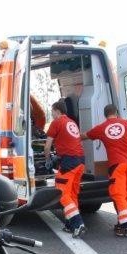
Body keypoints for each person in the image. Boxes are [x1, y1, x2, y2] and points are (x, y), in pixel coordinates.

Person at [81, 104, 127, 238]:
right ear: (116, 112)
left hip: (117, 165)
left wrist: (69, 137)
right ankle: (121, 223)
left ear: (105, 114)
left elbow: (84, 136)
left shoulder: (102, 128)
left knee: (118, 194)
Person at [44, 99, 86, 238]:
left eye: (52, 111)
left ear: (57, 110)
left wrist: (48, 159)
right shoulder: (71, 122)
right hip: (80, 161)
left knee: (61, 193)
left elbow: (47, 146)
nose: (52, 114)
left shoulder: (57, 122)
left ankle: (78, 223)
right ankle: (69, 225)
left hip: (69, 162)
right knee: (72, 194)